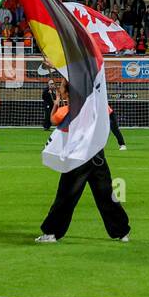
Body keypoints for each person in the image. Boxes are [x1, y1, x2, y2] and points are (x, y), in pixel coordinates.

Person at [36, 78, 130, 243]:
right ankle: (122, 231)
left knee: (66, 195)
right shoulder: (93, 106)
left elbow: (54, 121)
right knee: (106, 194)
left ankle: (52, 232)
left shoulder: (68, 111)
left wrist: (58, 101)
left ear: (68, 92)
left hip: (78, 157)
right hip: (97, 154)